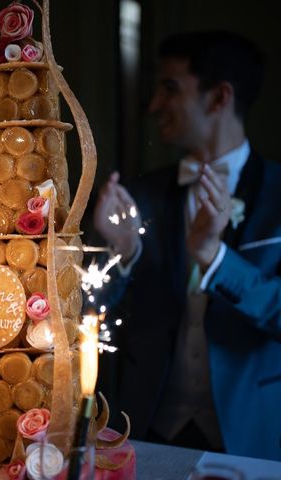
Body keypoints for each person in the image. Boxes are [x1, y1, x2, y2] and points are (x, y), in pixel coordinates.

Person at [93, 31, 281, 460]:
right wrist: (121, 256)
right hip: (145, 428)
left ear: (219, 98)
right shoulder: (141, 195)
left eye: (170, 88)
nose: (155, 105)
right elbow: (95, 319)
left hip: (251, 436)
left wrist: (216, 258)